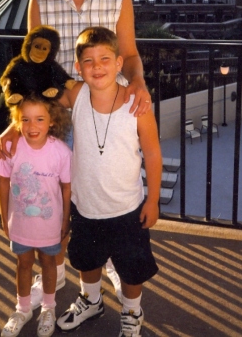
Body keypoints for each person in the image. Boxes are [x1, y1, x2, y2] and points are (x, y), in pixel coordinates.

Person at [0, 0, 152, 309]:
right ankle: (59, 267)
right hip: (57, 115)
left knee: (104, 190)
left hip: (106, 111)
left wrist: (138, 84)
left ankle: (108, 259)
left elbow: (130, 55)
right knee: (56, 196)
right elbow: (32, 67)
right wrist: (17, 123)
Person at [56, 26, 162, 336]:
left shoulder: (137, 104)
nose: (97, 66)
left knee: (132, 269)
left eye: (105, 58)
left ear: (118, 63)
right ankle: (91, 301)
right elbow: (38, 98)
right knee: (86, 260)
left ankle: (132, 312)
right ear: (78, 68)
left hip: (127, 209)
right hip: (86, 206)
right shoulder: (75, 94)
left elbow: (153, 155)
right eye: (88, 61)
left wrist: (152, 201)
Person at [0, 94, 72, 337]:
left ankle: (48, 308)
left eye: (39, 119)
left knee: (49, 264)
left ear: (51, 122)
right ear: (17, 122)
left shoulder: (61, 152)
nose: (32, 126)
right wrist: (5, 219)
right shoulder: (10, 148)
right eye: (25, 119)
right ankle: (23, 309)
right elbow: (3, 183)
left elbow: (67, 187)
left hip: (50, 226)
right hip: (21, 225)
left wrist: (65, 220)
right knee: (24, 264)